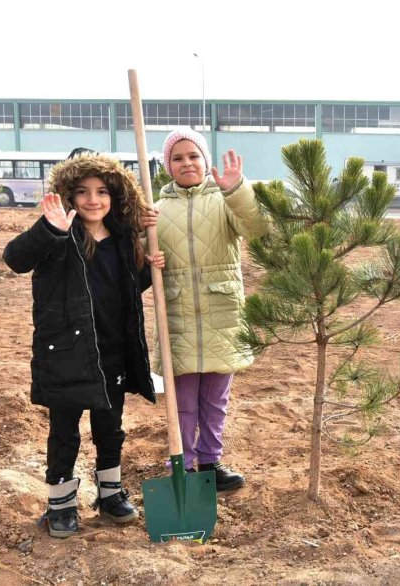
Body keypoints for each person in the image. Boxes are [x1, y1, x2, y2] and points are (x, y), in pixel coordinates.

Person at [3, 151, 165, 538]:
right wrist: (48, 228)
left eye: (102, 191)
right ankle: (60, 504)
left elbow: (120, 289)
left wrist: (148, 268)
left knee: (110, 427)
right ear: (69, 196)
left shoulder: (123, 239)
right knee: (65, 431)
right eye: (83, 192)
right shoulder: (58, 234)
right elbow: (15, 258)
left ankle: (109, 493)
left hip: (112, 351)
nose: (93, 200)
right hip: (68, 353)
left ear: (115, 197)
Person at [152, 128, 268, 491]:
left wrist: (238, 191)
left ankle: (210, 462)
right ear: (167, 166)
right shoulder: (155, 212)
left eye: (193, 156)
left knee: (216, 399)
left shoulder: (224, 201)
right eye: (177, 158)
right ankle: (183, 467)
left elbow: (258, 228)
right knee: (182, 402)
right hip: (178, 317)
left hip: (222, 314)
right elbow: (138, 261)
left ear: (205, 160)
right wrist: (145, 255)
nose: (186, 163)